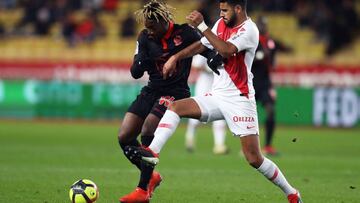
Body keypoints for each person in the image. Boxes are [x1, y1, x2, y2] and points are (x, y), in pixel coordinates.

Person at [126, 0, 303, 202]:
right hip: (218, 95)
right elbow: (201, 45)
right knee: (175, 107)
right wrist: (175, 58)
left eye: (225, 10)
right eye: (220, 10)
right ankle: (152, 152)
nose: (221, 14)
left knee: (254, 158)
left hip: (239, 99)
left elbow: (227, 50)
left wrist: (202, 26)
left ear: (238, 9)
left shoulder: (249, 30)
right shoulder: (220, 24)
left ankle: (292, 192)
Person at [118, 1, 219, 202]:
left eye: (152, 27)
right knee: (125, 136)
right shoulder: (145, 38)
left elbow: (210, 51)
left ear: (165, 21)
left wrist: (218, 65)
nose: (149, 31)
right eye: (146, 27)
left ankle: (142, 189)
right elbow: (135, 72)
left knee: (148, 129)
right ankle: (151, 176)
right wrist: (141, 59)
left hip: (176, 92)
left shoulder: (187, 34)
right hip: (151, 90)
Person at [253, 16, 293, 156]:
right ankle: (250, 147)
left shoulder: (270, 42)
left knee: (270, 111)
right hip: (250, 82)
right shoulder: (250, 40)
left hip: (264, 83)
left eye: (264, 25)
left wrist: (271, 86)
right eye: (260, 25)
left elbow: (274, 59)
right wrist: (259, 56)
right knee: (249, 116)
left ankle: (268, 146)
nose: (262, 27)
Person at [185, 54, 228, 155]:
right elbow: (195, 65)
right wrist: (208, 68)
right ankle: (190, 139)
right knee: (197, 113)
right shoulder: (208, 47)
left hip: (218, 84)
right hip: (204, 84)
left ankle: (219, 145)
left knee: (221, 114)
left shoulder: (223, 48)